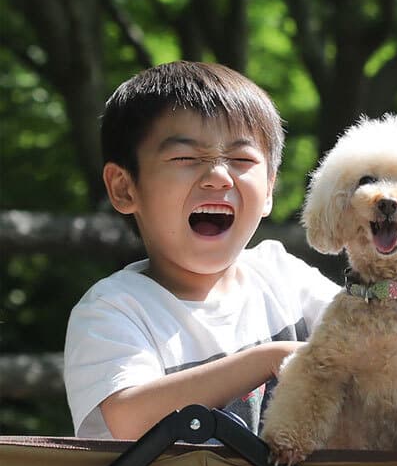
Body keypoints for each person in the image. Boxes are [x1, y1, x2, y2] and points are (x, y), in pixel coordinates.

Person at [64, 61, 339, 440]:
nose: (219, 176)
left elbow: (367, 342)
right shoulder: (113, 309)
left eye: (242, 160)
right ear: (125, 188)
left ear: (269, 190)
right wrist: (271, 359)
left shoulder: (282, 276)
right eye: (185, 159)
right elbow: (127, 418)